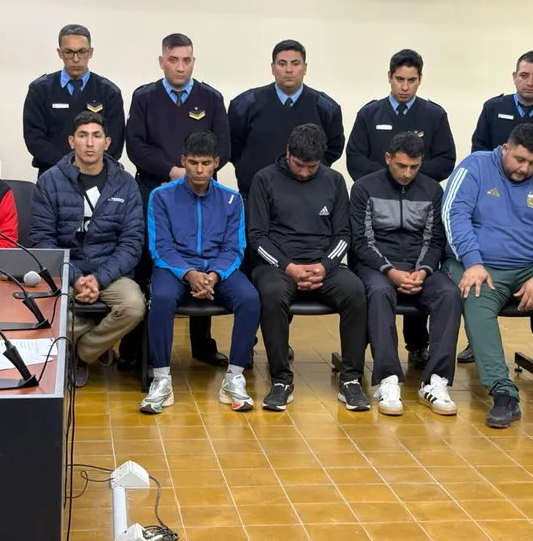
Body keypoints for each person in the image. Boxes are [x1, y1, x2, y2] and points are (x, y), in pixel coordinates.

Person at [442, 123, 533, 429]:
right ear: (505, 149)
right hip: (479, 265)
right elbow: (454, 214)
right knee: (476, 296)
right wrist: (473, 262)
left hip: (531, 268)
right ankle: (502, 390)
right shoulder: (475, 167)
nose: (525, 169)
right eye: (519, 159)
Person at [346, 49, 456, 371]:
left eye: (411, 80)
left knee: (425, 270)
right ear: (389, 77)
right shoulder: (370, 113)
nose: (405, 86)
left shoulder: (434, 115)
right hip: (378, 206)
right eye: (399, 79)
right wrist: (386, 181)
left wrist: (415, 181)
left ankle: (424, 355)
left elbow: (446, 159)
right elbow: (355, 158)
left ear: (420, 80)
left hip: (419, 209)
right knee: (381, 284)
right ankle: (383, 369)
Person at [126, 33, 231, 368]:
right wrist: (172, 171)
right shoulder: (144, 97)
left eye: (186, 60)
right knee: (147, 263)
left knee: (203, 257)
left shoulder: (211, 97)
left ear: (193, 62)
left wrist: (193, 173)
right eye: (173, 60)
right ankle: (135, 347)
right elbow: (135, 146)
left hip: (201, 192)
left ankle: (202, 344)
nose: (180, 67)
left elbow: (224, 148)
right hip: (154, 189)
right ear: (162, 61)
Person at [248, 123, 369, 412]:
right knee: (272, 294)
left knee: (356, 291)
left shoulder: (334, 181)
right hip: (278, 265)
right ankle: (281, 379)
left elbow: (344, 235)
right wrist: (288, 266)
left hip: (323, 265)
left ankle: (351, 379)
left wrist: (325, 266)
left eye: (311, 167)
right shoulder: (264, 179)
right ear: (288, 152)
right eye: (299, 165)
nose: (304, 172)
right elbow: (256, 237)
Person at [140, 131, 259, 414]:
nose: (199, 170)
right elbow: (160, 246)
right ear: (183, 161)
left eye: (206, 163)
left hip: (219, 270)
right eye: (193, 162)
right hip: (175, 269)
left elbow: (235, 248)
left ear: (216, 163)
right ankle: (161, 379)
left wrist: (214, 275)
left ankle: (234, 378)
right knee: (161, 298)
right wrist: (189, 273)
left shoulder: (232, 199)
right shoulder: (161, 196)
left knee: (251, 298)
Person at [462, 50, 533, 364]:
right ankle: (476, 344)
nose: (529, 82)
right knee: (477, 289)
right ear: (514, 77)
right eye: (524, 75)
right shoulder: (494, 108)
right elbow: (479, 150)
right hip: (494, 196)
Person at [30, 112, 146, 387]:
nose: (90, 143)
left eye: (96, 136)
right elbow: (42, 240)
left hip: (111, 272)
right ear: (72, 141)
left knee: (134, 307)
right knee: (42, 311)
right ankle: (97, 345)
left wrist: (99, 279)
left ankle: (81, 353)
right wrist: (75, 276)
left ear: (107, 142)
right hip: (66, 270)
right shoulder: (50, 181)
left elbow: (132, 242)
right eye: (83, 136)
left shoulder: (125, 183)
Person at [350, 132, 461, 417]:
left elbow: (434, 241)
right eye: (401, 165)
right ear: (388, 158)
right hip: (378, 267)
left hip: (419, 267)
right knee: (378, 292)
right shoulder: (364, 188)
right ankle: (388, 379)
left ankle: (436, 381)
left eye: (414, 167)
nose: (407, 173)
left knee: (449, 294)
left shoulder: (432, 190)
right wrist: (391, 271)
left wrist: (422, 271)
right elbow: (361, 242)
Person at [229, 39, 344, 198]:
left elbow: (334, 148)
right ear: (272, 68)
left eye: (295, 64)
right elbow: (232, 146)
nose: (289, 70)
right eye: (282, 64)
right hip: (256, 195)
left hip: (309, 196)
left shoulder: (326, 107)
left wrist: (306, 168)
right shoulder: (245, 104)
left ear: (305, 68)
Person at [24, 24, 125, 177]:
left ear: (90, 52)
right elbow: (35, 139)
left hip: (97, 176)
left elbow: (114, 142)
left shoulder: (109, 92)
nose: (76, 59)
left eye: (82, 52)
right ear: (60, 53)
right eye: (69, 52)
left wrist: (88, 166)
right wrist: (68, 166)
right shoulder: (40, 90)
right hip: (53, 175)